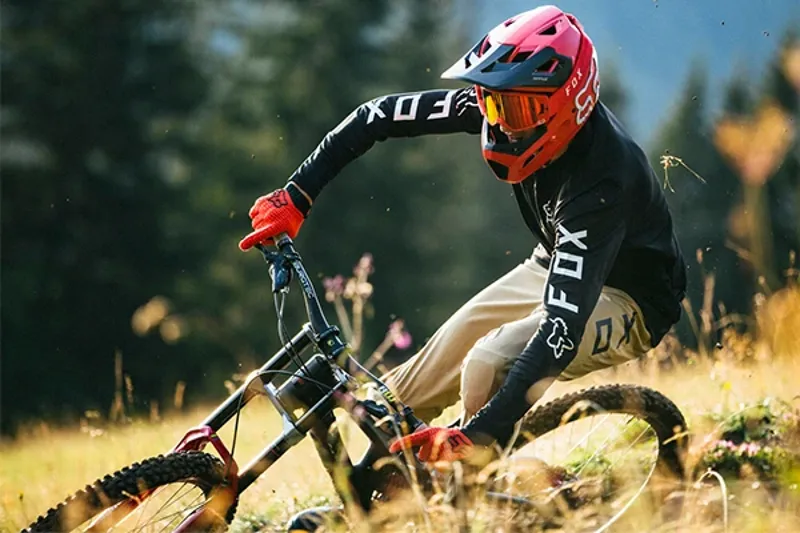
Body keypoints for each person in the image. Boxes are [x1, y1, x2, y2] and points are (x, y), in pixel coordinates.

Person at [238, 5, 686, 530]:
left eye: (512, 111)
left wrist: (476, 436)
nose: (497, 121)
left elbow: (560, 332)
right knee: (400, 394)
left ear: (565, 106)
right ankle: (376, 494)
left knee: (488, 360)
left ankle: (465, 504)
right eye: (490, 103)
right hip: (557, 262)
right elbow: (377, 116)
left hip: (631, 301)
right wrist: (297, 194)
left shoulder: (601, 186)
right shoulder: (511, 105)